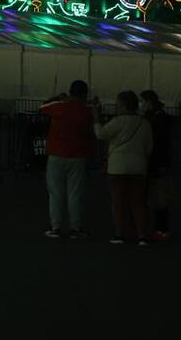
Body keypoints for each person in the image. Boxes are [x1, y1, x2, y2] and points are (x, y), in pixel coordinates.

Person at [93, 91, 154, 247]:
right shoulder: (144, 124)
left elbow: (101, 134)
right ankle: (142, 235)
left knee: (118, 202)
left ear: (124, 105)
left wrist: (96, 119)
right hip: (139, 167)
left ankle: (120, 234)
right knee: (138, 202)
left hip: (117, 166)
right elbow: (149, 148)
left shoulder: (118, 122)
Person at [39, 80, 95, 239]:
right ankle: (76, 228)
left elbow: (42, 107)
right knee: (75, 193)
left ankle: (55, 227)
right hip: (78, 156)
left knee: (55, 193)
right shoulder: (86, 111)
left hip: (56, 155)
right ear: (85, 94)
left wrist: (57, 97)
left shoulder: (59, 107)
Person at [140, 90, 173, 241]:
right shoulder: (161, 118)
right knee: (159, 197)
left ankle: (158, 228)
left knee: (154, 197)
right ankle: (160, 229)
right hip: (158, 162)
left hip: (154, 162)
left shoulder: (155, 119)